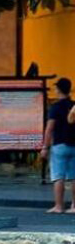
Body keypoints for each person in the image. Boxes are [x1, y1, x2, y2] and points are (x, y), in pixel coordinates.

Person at [47, 78, 75, 213]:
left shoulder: (55, 107)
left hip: (59, 145)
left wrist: (44, 147)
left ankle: (59, 206)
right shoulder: (73, 105)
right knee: (74, 176)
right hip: (74, 144)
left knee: (59, 177)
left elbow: (49, 128)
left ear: (58, 89)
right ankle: (74, 206)